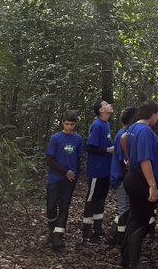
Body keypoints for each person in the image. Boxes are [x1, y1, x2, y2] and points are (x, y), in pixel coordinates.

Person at [121, 99, 158, 269]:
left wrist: (128, 157)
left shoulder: (133, 128)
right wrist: (152, 185)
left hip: (133, 176)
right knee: (140, 221)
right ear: (152, 114)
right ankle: (134, 263)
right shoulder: (145, 131)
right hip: (141, 180)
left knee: (134, 219)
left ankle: (127, 257)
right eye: (157, 115)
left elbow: (123, 139)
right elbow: (145, 160)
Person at [45, 110, 83, 250]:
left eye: (71, 124)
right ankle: (52, 230)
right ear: (62, 123)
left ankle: (58, 238)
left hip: (70, 180)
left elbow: (78, 159)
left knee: (64, 207)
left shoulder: (78, 139)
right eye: (66, 124)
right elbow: (49, 160)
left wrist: (76, 176)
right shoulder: (56, 138)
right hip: (55, 178)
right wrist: (64, 171)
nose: (69, 127)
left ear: (75, 124)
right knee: (51, 207)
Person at [82, 99, 114, 244]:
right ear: (101, 110)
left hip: (105, 170)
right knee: (92, 199)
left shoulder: (107, 124)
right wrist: (107, 150)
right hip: (96, 169)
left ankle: (98, 230)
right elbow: (90, 147)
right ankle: (87, 232)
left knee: (101, 198)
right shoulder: (97, 125)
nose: (109, 105)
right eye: (106, 104)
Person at [109, 105, 136, 246]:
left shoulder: (127, 133)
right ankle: (120, 241)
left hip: (123, 176)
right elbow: (122, 159)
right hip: (120, 177)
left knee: (125, 208)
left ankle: (114, 236)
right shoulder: (123, 134)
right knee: (124, 208)